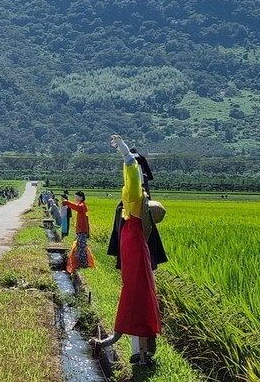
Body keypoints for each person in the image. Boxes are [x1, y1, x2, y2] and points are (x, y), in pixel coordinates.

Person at [90, 135, 161, 365]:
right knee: (137, 294)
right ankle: (139, 348)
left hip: (135, 254)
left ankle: (136, 349)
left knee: (135, 295)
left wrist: (125, 153)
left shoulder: (135, 200)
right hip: (134, 252)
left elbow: (131, 173)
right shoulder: (137, 208)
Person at [61, 191, 95, 273]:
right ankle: (82, 263)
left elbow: (76, 207)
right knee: (80, 246)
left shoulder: (81, 205)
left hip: (82, 230)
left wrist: (67, 202)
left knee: (82, 247)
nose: (75, 198)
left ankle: (84, 264)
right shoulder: (82, 205)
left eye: (76, 197)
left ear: (81, 197)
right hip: (81, 230)